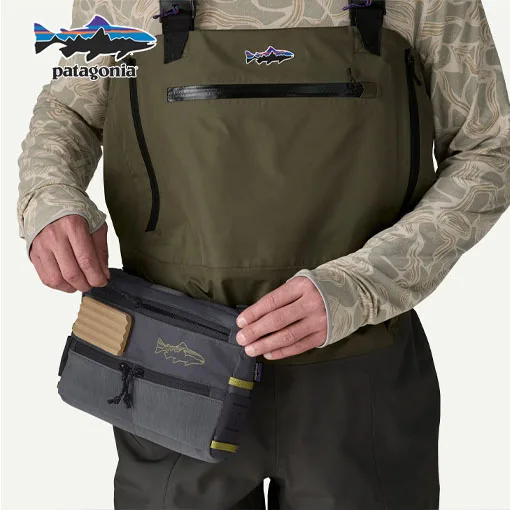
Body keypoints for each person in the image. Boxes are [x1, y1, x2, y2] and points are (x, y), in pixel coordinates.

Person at [18, 0, 510, 509]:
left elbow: (490, 148)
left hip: (359, 374)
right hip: (172, 367)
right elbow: (69, 109)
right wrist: (49, 195)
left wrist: (364, 285)